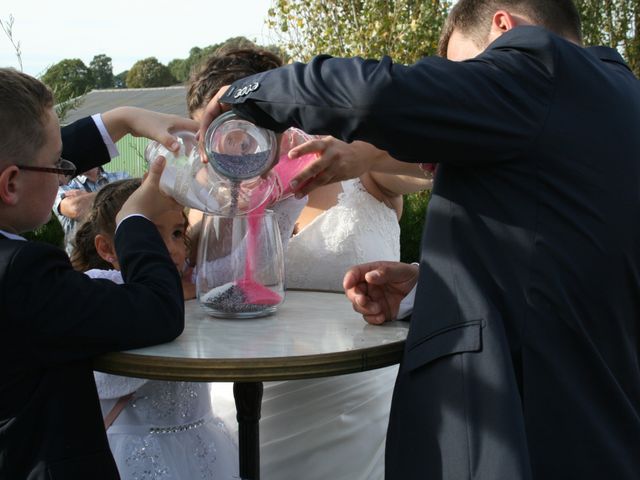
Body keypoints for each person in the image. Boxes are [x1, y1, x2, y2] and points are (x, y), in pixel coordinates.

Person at [196, 1, 640, 479]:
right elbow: (573, 256)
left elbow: (377, 96)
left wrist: (249, 93)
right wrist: (430, 285)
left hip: (521, 430)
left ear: (504, 27)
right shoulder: (622, 96)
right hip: (604, 423)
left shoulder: (539, 66)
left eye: (462, 71)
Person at [187, 48, 431, 479]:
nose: (232, 146)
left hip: (358, 411)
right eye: (215, 135)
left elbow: (439, 164)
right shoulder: (214, 194)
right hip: (241, 407)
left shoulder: (358, 166)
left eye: (241, 128)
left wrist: (369, 153)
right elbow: (187, 280)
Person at [0, 67, 199, 480]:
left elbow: (21, 148)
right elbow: (158, 310)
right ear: (11, 184)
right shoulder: (23, 274)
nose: (63, 174)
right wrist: (135, 219)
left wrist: (122, 120)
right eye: (58, 166)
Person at [69, 178, 237, 479]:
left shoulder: (189, 286)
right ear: (108, 248)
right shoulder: (103, 287)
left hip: (200, 443)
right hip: (137, 449)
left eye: (176, 234)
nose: (172, 250)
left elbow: (235, 264)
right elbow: (108, 380)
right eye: (149, 235)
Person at [54, 165, 130, 251]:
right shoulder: (63, 186)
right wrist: (118, 194)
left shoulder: (122, 176)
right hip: (83, 258)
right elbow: (76, 208)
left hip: (121, 251)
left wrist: (88, 197)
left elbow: (135, 199)